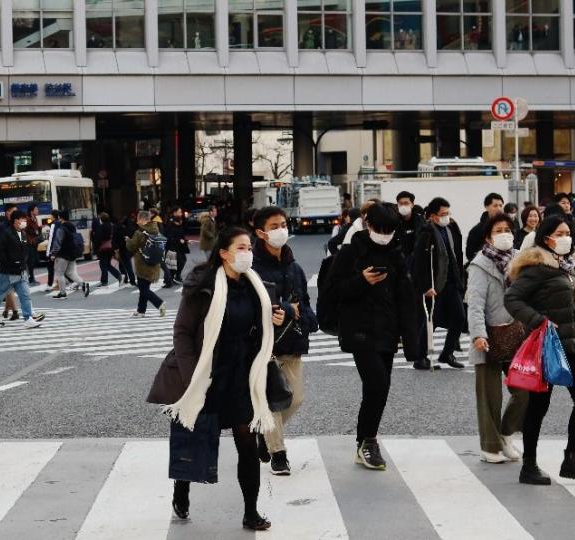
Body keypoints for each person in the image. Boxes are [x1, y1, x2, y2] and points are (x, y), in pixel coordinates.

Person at [146, 226, 285, 531]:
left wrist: (278, 319)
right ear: (223, 253)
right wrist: (192, 374)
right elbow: (182, 332)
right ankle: (181, 490)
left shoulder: (257, 287)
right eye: (241, 248)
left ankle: (251, 511)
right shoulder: (202, 286)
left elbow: (264, 332)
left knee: (247, 444)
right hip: (205, 374)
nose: (247, 253)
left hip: (241, 376)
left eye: (249, 247)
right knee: (193, 437)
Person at [505, 215, 575, 485]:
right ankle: (529, 465)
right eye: (560, 233)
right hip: (547, 346)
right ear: (547, 238)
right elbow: (512, 298)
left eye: (568, 232)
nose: (566, 237)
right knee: (539, 405)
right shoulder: (538, 267)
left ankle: (572, 459)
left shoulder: (566, 266)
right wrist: (540, 321)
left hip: (572, 345)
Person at [328, 203, 417, 470]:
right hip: (359, 330)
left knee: (379, 388)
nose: (384, 234)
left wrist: (411, 339)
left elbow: (406, 298)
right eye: (380, 228)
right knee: (377, 384)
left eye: (389, 229)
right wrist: (361, 281)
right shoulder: (351, 252)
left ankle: (366, 440)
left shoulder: (396, 254)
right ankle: (368, 441)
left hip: (387, 330)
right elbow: (333, 291)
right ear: (368, 225)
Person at [251, 207, 317, 475]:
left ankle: (264, 432)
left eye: (283, 224)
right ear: (261, 232)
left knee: (295, 399)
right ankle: (278, 453)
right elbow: (248, 307)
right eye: (275, 225)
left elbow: (306, 305)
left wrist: (308, 320)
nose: (281, 230)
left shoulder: (295, 267)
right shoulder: (252, 269)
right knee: (271, 400)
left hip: (292, 343)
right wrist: (288, 310)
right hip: (263, 347)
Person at [466, 213, 528, 464]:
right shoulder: (479, 264)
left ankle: (505, 434)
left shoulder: (519, 260)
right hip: (489, 336)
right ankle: (489, 446)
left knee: (525, 391)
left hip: (516, 334)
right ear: (488, 237)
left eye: (508, 229)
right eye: (498, 230)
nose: (505, 234)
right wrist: (478, 335)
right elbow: (475, 304)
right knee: (490, 396)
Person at [411, 197, 466, 370]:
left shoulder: (450, 228)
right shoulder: (426, 233)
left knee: (459, 318)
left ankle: (447, 353)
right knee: (430, 321)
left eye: (448, 213)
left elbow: (456, 254)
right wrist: (425, 286)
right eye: (443, 214)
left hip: (451, 281)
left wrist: (461, 280)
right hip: (434, 284)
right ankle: (420, 357)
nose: (447, 217)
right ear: (433, 216)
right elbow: (418, 263)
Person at [0, 210, 46, 329]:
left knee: (25, 295)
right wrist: (11, 262)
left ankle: (28, 318)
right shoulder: (6, 234)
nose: (24, 222)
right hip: (7, 272)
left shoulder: (23, 233)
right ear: (16, 221)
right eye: (22, 219)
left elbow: (24, 250)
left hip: (20, 270)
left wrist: (23, 263)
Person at [127, 211, 167, 318]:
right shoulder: (155, 230)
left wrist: (128, 240)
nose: (137, 221)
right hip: (154, 264)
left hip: (143, 265)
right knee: (144, 288)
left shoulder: (139, 232)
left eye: (138, 219)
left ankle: (159, 303)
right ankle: (141, 310)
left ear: (142, 220)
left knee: (143, 289)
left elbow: (131, 247)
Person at [48, 210, 89, 299]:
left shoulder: (61, 228)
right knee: (70, 273)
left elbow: (58, 242)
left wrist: (54, 253)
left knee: (60, 273)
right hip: (72, 253)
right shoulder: (72, 227)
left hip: (63, 254)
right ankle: (83, 284)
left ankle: (63, 293)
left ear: (60, 217)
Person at [466, 193, 505, 262]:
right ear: (486, 207)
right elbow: (470, 254)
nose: (499, 209)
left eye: (501, 206)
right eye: (495, 206)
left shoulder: (507, 227)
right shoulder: (477, 230)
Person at [94, 212, 123, 287]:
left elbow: (98, 238)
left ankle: (104, 281)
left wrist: (96, 249)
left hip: (103, 248)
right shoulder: (112, 225)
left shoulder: (101, 227)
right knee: (107, 264)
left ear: (101, 219)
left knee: (103, 264)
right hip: (111, 247)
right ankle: (119, 276)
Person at [394, 191, 423, 262]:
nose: (403, 206)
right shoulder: (393, 222)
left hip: (417, 261)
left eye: (406, 203)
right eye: (400, 203)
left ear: (412, 204)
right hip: (399, 261)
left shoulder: (421, 222)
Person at [25, 206, 42, 285]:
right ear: (31, 211)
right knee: (30, 261)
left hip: (35, 242)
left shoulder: (35, 219)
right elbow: (25, 230)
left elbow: (35, 230)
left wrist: (40, 228)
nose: (37, 210)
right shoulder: (27, 219)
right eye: (36, 209)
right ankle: (31, 278)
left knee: (35, 260)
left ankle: (31, 277)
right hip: (30, 243)